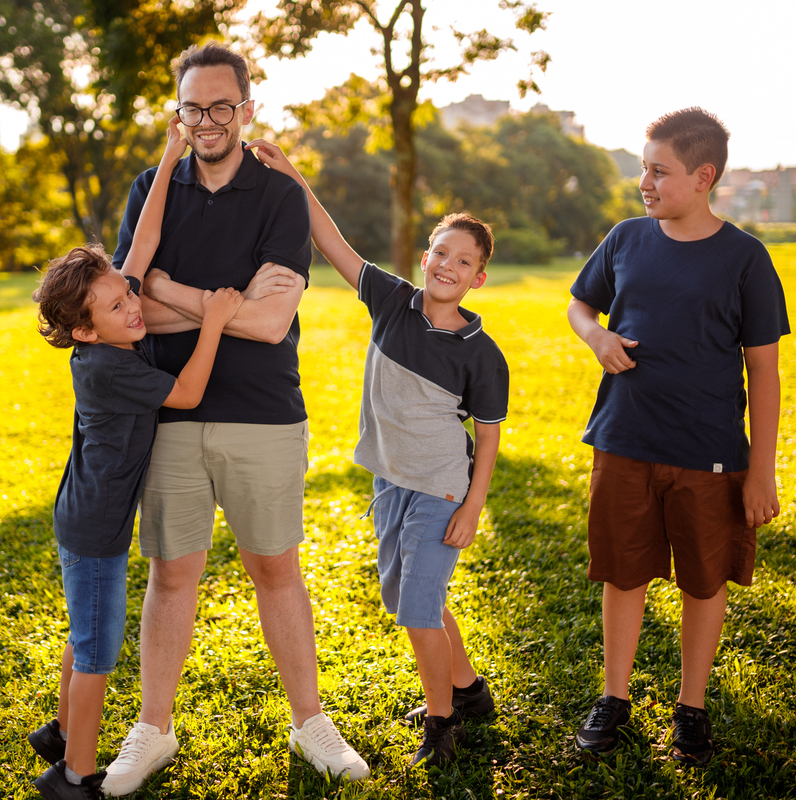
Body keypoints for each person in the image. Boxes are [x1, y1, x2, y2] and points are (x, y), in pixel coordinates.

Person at [104, 42, 369, 792]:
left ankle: (310, 720)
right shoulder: (150, 189)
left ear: (247, 110)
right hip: (172, 414)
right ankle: (153, 729)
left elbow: (270, 318)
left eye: (223, 106)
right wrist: (223, 302)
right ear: (178, 114)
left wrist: (179, 295)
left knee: (275, 570)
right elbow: (131, 312)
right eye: (195, 107)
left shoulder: (280, 194)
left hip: (265, 414)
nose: (209, 120)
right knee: (171, 574)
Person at [249, 139, 509, 767]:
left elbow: (491, 436)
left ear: (478, 278)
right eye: (441, 252)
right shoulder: (392, 301)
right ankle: (470, 688)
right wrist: (291, 175)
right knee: (408, 598)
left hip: (442, 489)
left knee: (418, 611)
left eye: (463, 260)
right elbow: (332, 242)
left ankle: (442, 724)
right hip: (390, 482)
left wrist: (473, 505)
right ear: (426, 258)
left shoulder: (482, 353)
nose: (448, 265)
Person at [26, 120, 245, 800]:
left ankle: (60, 733)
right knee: (97, 649)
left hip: (86, 517)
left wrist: (171, 150)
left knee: (84, 626)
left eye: (129, 295)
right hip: (94, 529)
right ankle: (75, 775)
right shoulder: (106, 366)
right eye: (118, 305)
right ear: (85, 330)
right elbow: (185, 392)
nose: (134, 305)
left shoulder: (108, 329)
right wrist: (212, 321)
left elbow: (141, 243)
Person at [566, 108, 789, 767]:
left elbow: (765, 374)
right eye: (643, 168)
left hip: (708, 454)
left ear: (703, 176)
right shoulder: (627, 240)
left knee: (703, 580)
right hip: (624, 441)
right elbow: (581, 304)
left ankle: (691, 705)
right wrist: (597, 335)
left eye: (658, 171)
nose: (645, 182)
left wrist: (762, 469)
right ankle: (614, 698)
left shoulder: (745, 259)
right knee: (623, 573)